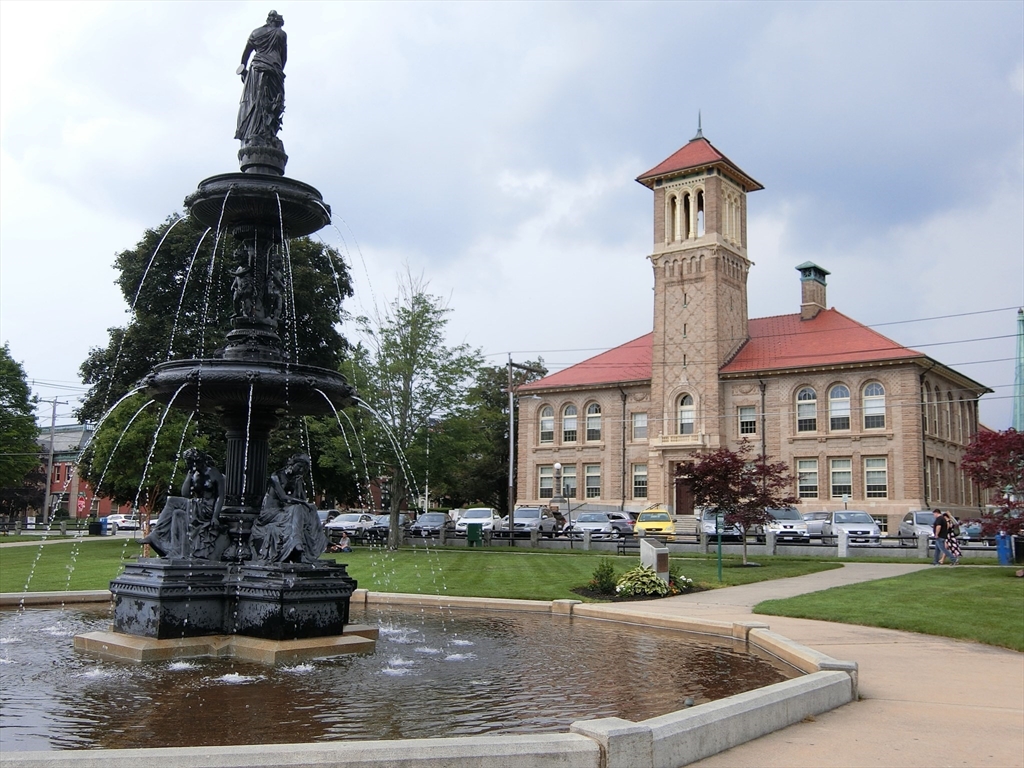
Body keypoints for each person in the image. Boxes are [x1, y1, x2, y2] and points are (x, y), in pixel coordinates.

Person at [250, 453, 327, 564]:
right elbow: (284, 498)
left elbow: (301, 498)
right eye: (299, 466)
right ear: (292, 464)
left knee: (311, 508)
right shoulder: (276, 476)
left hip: (284, 510)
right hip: (270, 513)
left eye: (303, 469)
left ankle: (318, 542)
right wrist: (302, 503)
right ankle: (296, 543)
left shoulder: (297, 479)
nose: (300, 470)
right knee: (296, 508)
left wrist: (298, 485)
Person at [235, 10, 287, 148]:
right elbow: (284, 57)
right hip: (274, 68)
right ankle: (265, 133)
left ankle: (255, 131)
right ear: (276, 22)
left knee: (256, 100)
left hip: (257, 68)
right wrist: (278, 69)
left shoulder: (256, 33)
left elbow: (246, 53)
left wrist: (243, 69)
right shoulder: (281, 34)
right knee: (273, 101)